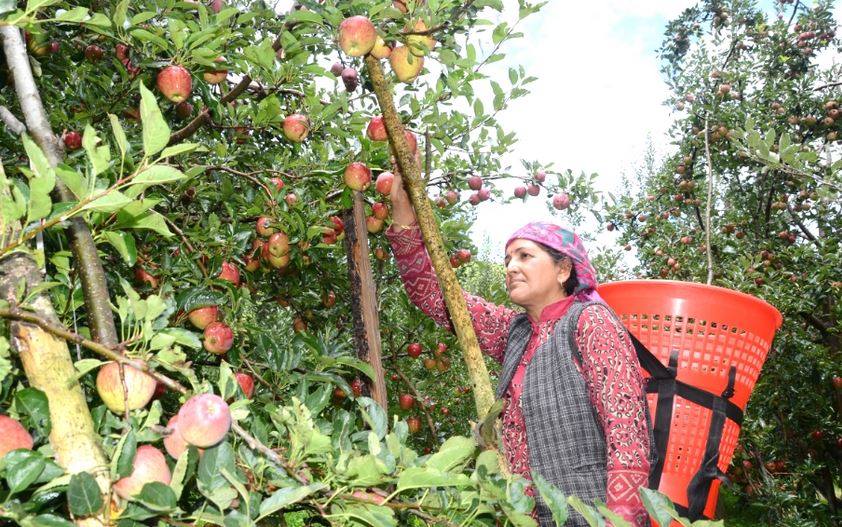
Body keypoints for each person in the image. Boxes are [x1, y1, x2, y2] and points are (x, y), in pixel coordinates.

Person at [385, 172, 653, 527]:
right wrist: (402, 205)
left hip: (589, 515)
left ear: (563, 269)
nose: (511, 267)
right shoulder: (515, 332)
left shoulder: (591, 323)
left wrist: (622, 519)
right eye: (508, 259)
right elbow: (433, 294)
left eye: (525, 256)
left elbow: (627, 431)